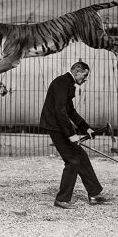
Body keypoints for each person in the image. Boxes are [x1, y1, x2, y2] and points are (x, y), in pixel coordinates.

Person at [40, 61, 107, 209]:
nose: (86, 78)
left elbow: (70, 111)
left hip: (60, 126)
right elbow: (60, 112)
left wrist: (86, 128)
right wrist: (71, 134)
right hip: (55, 127)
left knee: (81, 157)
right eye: (85, 74)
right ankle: (62, 199)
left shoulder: (68, 83)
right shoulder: (62, 82)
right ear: (77, 71)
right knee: (72, 161)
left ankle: (94, 194)